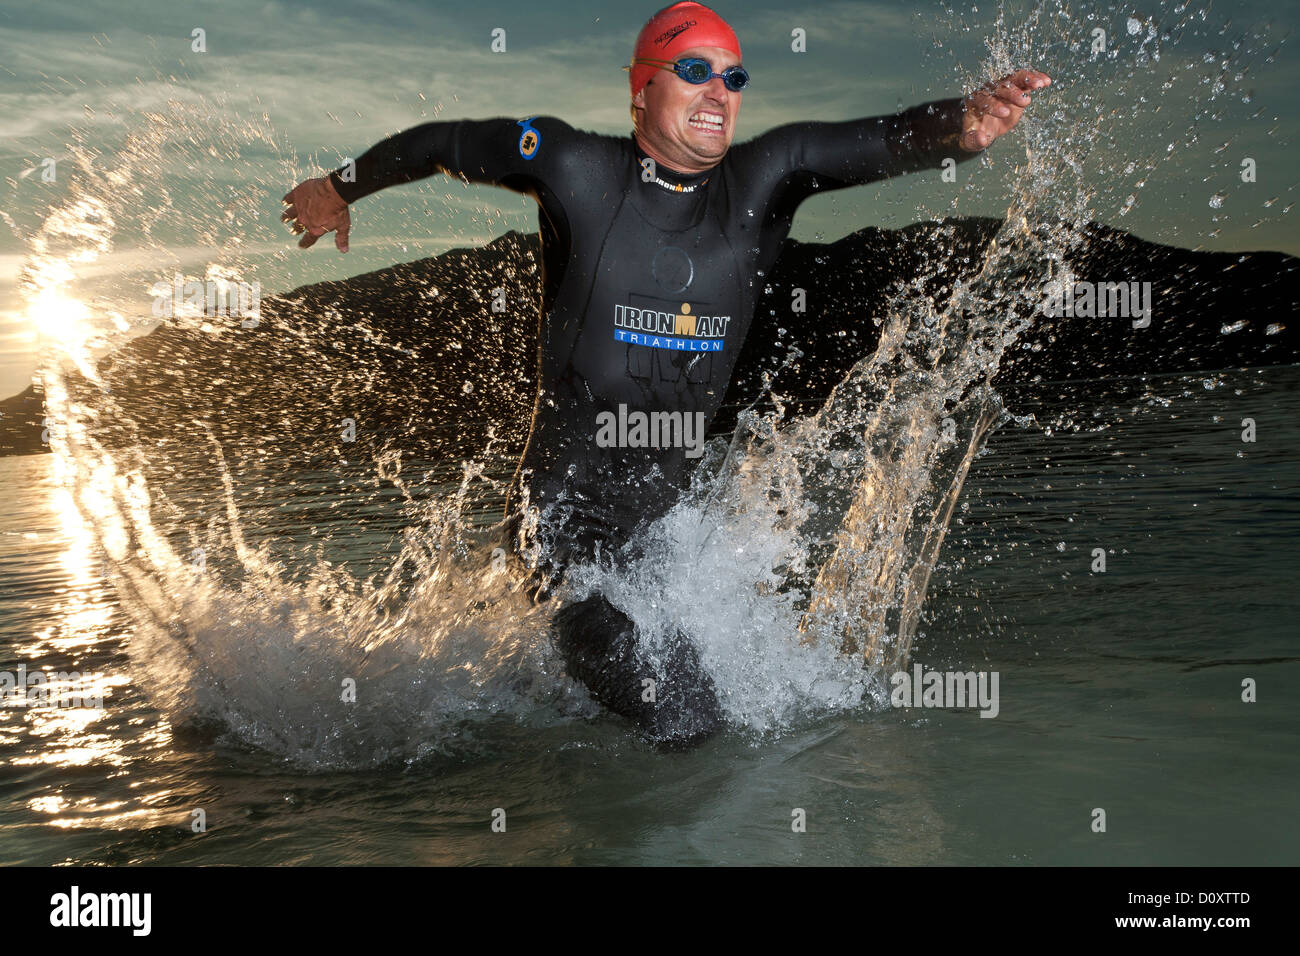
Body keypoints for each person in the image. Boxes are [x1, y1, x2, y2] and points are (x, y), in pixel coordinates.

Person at [282, 2, 1050, 747]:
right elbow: (446, 142)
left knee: (714, 687)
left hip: (666, 536)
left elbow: (876, 139)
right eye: (695, 70)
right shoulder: (570, 165)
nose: (720, 92)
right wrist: (340, 187)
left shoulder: (763, 181)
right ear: (642, 87)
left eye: (733, 78)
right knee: (678, 707)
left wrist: (963, 126)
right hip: (563, 523)